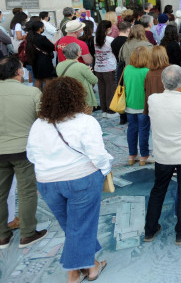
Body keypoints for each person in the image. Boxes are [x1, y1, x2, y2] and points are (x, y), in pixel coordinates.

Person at [26, 77, 112, 282]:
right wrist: (105, 169)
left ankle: (91, 265)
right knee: (80, 225)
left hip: (47, 181)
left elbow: (31, 155)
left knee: (72, 226)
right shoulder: (85, 121)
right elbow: (98, 154)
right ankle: (74, 272)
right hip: (81, 178)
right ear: (77, 97)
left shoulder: (39, 124)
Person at [144, 66, 181, 246]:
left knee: (158, 190)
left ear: (163, 82)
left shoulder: (153, 99)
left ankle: (150, 229)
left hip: (163, 154)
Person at [0, 56, 46, 251]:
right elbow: (43, 119)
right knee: (27, 191)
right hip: (23, 149)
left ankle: (2, 234)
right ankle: (28, 233)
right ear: (18, 72)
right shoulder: (32, 93)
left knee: (1, 193)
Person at [124, 46, 151, 166]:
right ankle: (144, 156)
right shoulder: (146, 71)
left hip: (129, 104)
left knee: (131, 130)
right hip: (143, 106)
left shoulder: (127, 69)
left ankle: (132, 155)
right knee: (143, 131)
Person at [56, 43, 98, 114]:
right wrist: (89, 71)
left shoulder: (59, 65)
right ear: (78, 53)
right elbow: (94, 80)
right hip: (83, 97)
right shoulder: (82, 66)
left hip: (67, 96)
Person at [25, 20, 56, 90]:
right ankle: (47, 96)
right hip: (45, 61)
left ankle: (37, 96)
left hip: (34, 60)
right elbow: (53, 47)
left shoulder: (29, 37)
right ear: (39, 28)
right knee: (48, 79)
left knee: (38, 79)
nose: (43, 29)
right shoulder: (42, 38)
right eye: (43, 27)